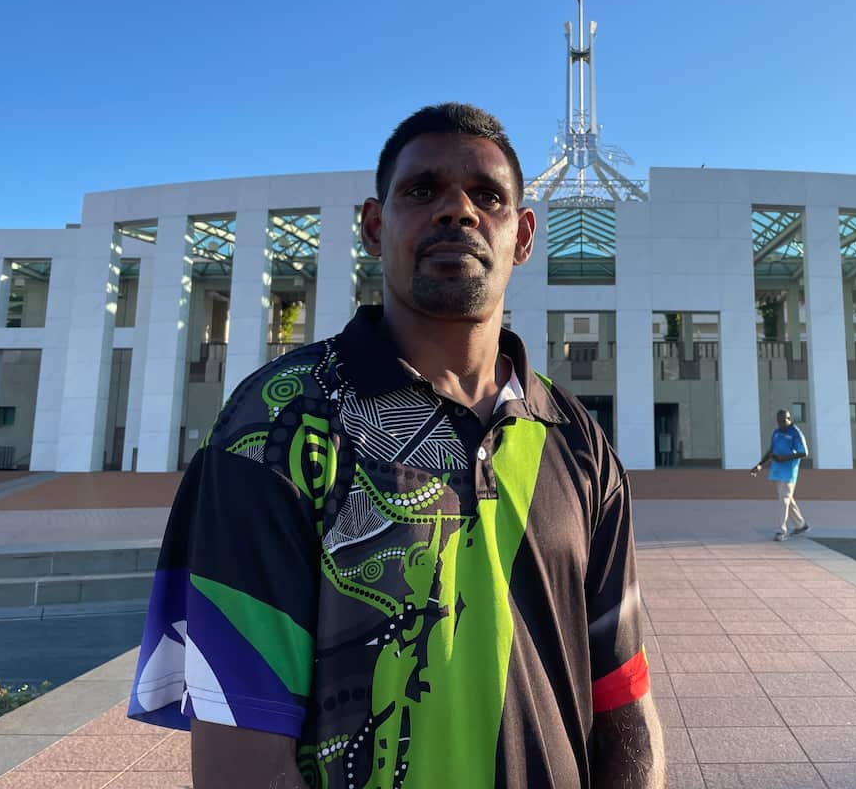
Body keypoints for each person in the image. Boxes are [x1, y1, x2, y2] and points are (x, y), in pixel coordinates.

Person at [127, 103, 664, 788]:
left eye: (488, 196)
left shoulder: (574, 437)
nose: (458, 212)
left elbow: (624, 705)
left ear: (522, 235)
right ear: (375, 228)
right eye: (422, 190)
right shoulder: (273, 430)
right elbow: (245, 756)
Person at [750, 409, 810, 542]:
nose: (783, 423)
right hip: (778, 470)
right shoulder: (776, 433)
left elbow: (804, 452)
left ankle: (781, 531)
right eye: (780, 421)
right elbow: (771, 450)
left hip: (789, 471)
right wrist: (760, 465)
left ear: (790, 419)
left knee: (784, 500)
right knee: (787, 498)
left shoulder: (796, 433)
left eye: (785, 420)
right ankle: (801, 525)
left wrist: (784, 458)